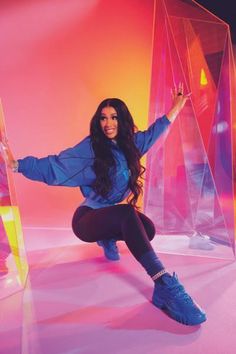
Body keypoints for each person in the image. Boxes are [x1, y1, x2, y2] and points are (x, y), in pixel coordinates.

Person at [1, 83, 206, 325]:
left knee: (147, 230)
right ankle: (164, 284)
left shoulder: (132, 145)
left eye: (114, 117)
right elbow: (56, 165)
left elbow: (155, 131)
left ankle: (108, 237)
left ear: (123, 119)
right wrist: (17, 165)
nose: (108, 123)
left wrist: (176, 107)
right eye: (103, 118)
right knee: (127, 213)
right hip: (87, 218)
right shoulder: (92, 147)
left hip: (111, 215)